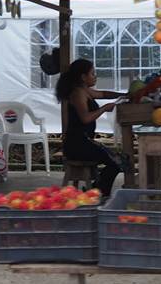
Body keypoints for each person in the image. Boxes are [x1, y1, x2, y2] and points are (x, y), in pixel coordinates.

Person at [55, 59, 130, 195]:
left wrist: (124, 95)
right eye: (93, 73)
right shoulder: (77, 93)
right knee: (117, 161)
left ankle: (97, 189)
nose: (95, 76)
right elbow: (85, 118)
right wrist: (104, 108)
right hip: (77, 145)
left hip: (84, 142)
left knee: (119, 160)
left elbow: (104, 94)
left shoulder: (85, 90)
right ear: (83, 77)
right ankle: (99, 191)